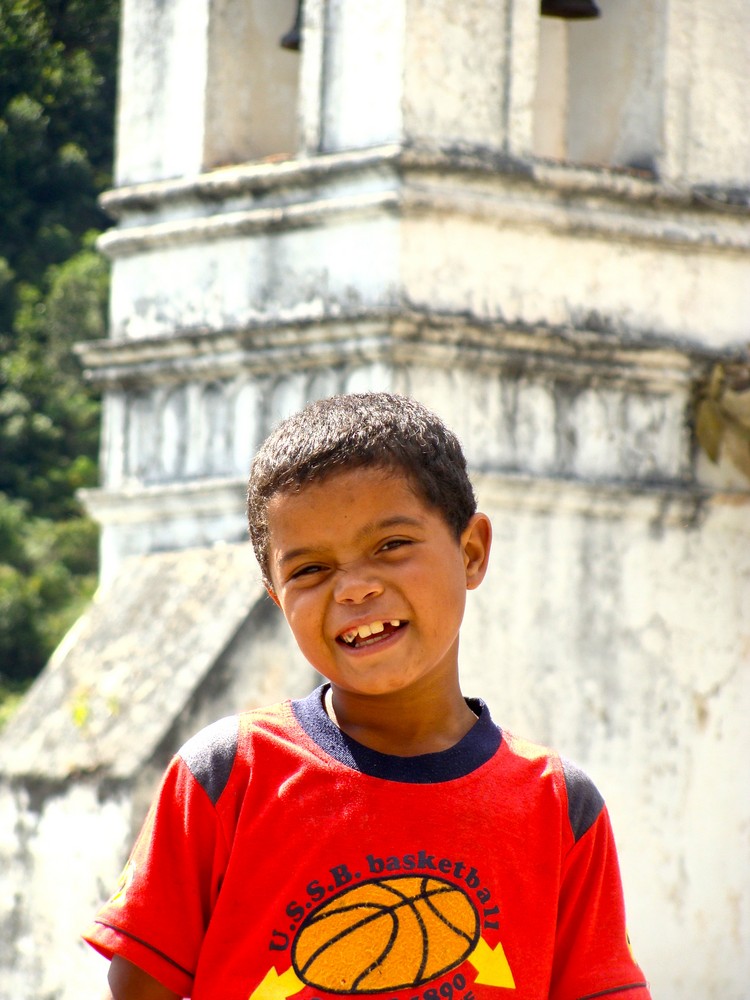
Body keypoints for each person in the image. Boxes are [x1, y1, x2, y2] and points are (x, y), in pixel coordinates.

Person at [84, 392, 651, 1000]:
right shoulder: (227, 774)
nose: (354, 589)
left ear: (471, 552)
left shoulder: (560, 804)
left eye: (391, 546)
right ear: (277, 597)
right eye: (309, 570)